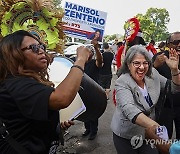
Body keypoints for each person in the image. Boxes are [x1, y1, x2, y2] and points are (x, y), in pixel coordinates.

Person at [0, 30, 92, 153]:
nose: (41, 50)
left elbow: (28, 123)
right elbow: (61, 98)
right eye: (33, 47)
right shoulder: (15, 84)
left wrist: (56, 127)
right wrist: (80, 59)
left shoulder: (26, 81)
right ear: (14, 54)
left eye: (41, 46)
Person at [111, 45, 180, 154]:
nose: (142, 67)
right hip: (126, 135)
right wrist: (157, 127)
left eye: (145, 63)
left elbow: (174, 88)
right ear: (129, 65)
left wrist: (174, 70)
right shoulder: (122, 82)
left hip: (148, 134)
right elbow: (129, 109)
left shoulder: (153, 74)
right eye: (137, 63)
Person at [152, 31, 180, 139]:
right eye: (176, 42)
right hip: (164, 106)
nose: (179, 45)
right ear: (168, 45)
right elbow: (146, 75)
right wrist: (154, 65)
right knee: (163, 139)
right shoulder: (159, 57)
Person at [82, 39, 103, 140]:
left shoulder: (95, 63)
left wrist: (96, 48)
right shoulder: (82, 63)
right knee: (85, 111)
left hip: (94, 92)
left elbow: (100, 61)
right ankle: (88, 129)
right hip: (83, 91)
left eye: (89, 51)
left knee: (93, 112)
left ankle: (94, 131)